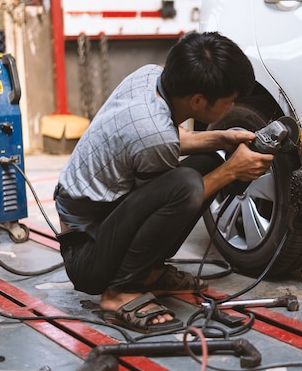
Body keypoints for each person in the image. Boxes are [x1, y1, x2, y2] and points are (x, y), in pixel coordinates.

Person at [53, 31, 274, 333]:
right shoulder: (152, 136)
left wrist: (222, 138)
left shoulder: (150, 76)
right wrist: (231, 172)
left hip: (99, 222)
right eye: (230, 101)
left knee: (207, 162)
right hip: (86, 255)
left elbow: (167, 137)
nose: (232, 106)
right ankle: (120, 292)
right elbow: (174, 192)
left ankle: (150, 274)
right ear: (197, 101)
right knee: (188, 183)